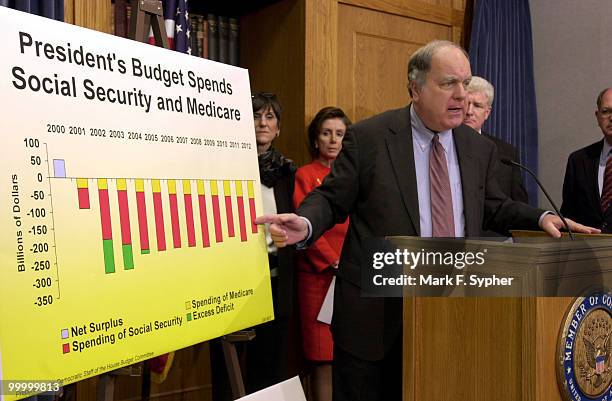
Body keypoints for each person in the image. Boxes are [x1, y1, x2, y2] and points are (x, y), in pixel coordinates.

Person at [255, 40, 598, 401]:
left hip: (452, 316)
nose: (462, 95)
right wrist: (306, 223)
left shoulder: (478, 147)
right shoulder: (371, 138)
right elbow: (330, 198)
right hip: (376, 320)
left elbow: (494, 204)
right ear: (415, 88)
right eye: (449, 83)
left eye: (466, 84)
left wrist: (543, 216)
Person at [294, 107, 351, 401]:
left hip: (353, 277)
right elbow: (305, 226)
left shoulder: (353, 176)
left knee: (350, 356)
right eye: (326, 133)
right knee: (322, 357)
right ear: (316, 139)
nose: (333, 140)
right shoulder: (305, 175)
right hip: (319, 279)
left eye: (339, 134)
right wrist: (333, 259)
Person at [464, 76, 529, 203]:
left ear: (487, 113)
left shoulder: (507, 153)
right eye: (466, 104)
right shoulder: (441, 145)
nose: (469, 111)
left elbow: (519, 203)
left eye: (477, 105)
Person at [561, 88, 612, 233]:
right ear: (597, 116)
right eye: (606, 111)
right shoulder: (578, 160)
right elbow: (568, 214)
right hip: (586, 251)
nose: (611, 117)